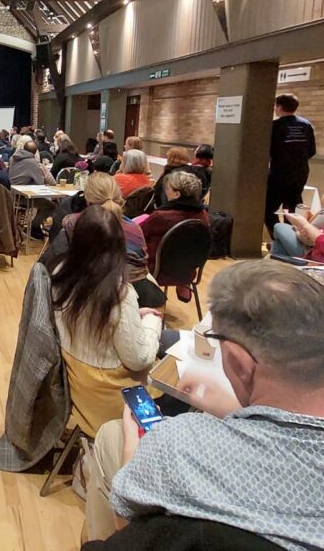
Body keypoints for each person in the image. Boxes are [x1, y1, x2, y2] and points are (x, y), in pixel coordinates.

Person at [83, 260, 324, 546]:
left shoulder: (180, 447)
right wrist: (238, 411)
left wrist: (136, 449)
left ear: (237, 360)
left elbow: (126, 524)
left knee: (112, 437)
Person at [52, 205, 162, 439]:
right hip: (116, 403)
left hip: (79, 392)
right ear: (119, 245)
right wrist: (153, 322)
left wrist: (135, 317)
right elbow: (138, 359)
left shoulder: (60, 275)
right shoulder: (118, 294)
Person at [59, 172, 162, 308]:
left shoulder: (73, 223)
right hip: (142, 294)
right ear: (119, 197)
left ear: (87, 199)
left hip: (93, 296)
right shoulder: (135, 227)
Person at [264, 93, 316, 237]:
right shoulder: (306, 125)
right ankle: (292, 239)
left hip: (279, 174)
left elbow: (267, 150)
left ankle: (279, 239)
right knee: (292, 210)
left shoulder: (274, 126)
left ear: (279, 107)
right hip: (300, 173)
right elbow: (311, 151)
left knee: (267, 209)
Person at [139, 170, 209, 265]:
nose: (166, 192)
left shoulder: (161, 217)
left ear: (177, 194)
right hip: (187, 270)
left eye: (168, 189)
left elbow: (138, 235)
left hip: (154, 268)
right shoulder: (202, 214)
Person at [8, 140, 57, 239]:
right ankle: (33, 226)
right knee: (51, 206)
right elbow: (40, 183)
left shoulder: (13, 158)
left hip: (12, 195)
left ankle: (34, 228)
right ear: (35, 152)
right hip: (25, 197)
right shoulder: (32, 162)